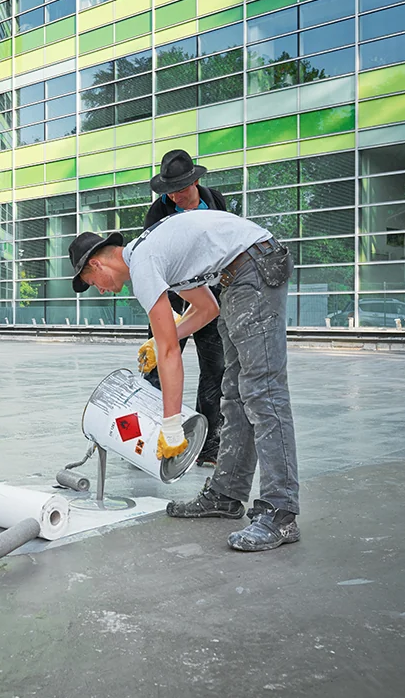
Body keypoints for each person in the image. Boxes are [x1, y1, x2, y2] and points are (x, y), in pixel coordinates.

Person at [68, 209, 301, 552]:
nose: (100, 291)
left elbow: (170, 354)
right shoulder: (157, 256)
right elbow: (207, 310)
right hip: (237, 277)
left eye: (92, 284)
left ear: (97, 266)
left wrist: (172, 425)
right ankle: (227, 493)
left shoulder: (145, 264)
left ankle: (281, 512)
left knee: (263, 391)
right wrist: (164, 337)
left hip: (253, 267)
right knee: (236, 395)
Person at [141, 149, 228, 467]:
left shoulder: (215, 200)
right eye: (168, 190)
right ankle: (151, 435)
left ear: (195, 181)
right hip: (171, 297)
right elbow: (150, 262)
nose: (173, 196)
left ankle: (207, 446)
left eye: (179, 188)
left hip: (209, 297)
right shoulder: (157, 213)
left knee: (214, 370)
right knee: (157, 366)